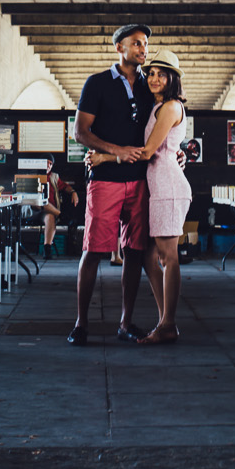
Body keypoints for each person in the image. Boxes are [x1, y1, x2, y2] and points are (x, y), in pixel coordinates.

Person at [87, 49, 188, 344]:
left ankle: (168, 324)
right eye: (151, 73)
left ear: (173, 79)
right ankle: (165, 321)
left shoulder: (170, 107)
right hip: (156, 185)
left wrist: (104, 157)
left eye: (162, 74)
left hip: (167, 187)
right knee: (147, 257)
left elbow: (147, 152)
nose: (154, 78)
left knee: (168, 257)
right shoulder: (158, 106)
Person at [69, 23, 156, 346]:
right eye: (136, 43)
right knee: (93, 250)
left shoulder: (151, 85)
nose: (143, 49)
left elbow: (163, 127)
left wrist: (177, 153)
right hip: (105, 180)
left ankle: (125, 322)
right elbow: (81, 132)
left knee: (134, 252)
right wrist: (115, 151)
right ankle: (81, 323)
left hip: (141, 180)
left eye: (145, 44)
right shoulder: (97, 83)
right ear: (119, 47)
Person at [36, 157, 80, 260]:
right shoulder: (33, 174)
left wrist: (73, 192)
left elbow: (65, 186)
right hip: (34, 209)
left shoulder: (54, 176)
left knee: (50, 217)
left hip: (48, 211)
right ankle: (61, 215)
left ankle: (47, 248)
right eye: (46, 162)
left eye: (50, 164)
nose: (48, 165)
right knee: (41, 201)